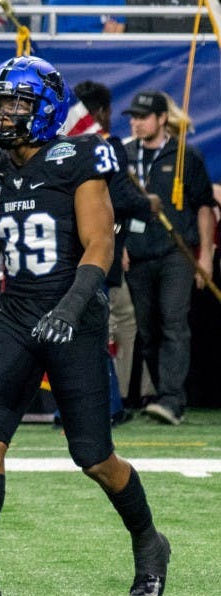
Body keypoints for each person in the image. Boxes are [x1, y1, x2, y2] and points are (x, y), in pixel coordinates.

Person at [0, 55, 170, 596]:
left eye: (16, 104)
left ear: (45, 110)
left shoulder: (76, 157)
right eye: (0, 103)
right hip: (16, 315)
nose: (3, 114)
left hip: (73, 317)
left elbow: (100, 243)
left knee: (94, 457)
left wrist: (72, 307)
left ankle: (150, 544)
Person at [121, 90, 216, 425]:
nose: (135, 122)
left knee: (174, 321)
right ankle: (163, 394)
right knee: (148, 331)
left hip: (176, 253)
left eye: (142, 116)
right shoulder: (125, 154)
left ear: (162, 119)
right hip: (137, 253)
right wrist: (118, 247)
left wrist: (205, 256)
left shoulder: (184, 155)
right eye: (132, 117)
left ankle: (172, 399)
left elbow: (204, 206)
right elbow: (112, 207)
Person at [71, 80, 159, 419]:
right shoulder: (106, 146)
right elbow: (119, 197)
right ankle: (106, 404)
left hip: (66, 253)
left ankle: (78, 407)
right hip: (98, 252)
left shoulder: (56, 147)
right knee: (96, 329)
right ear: (102, 112)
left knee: (83, 329)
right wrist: (145, 204)